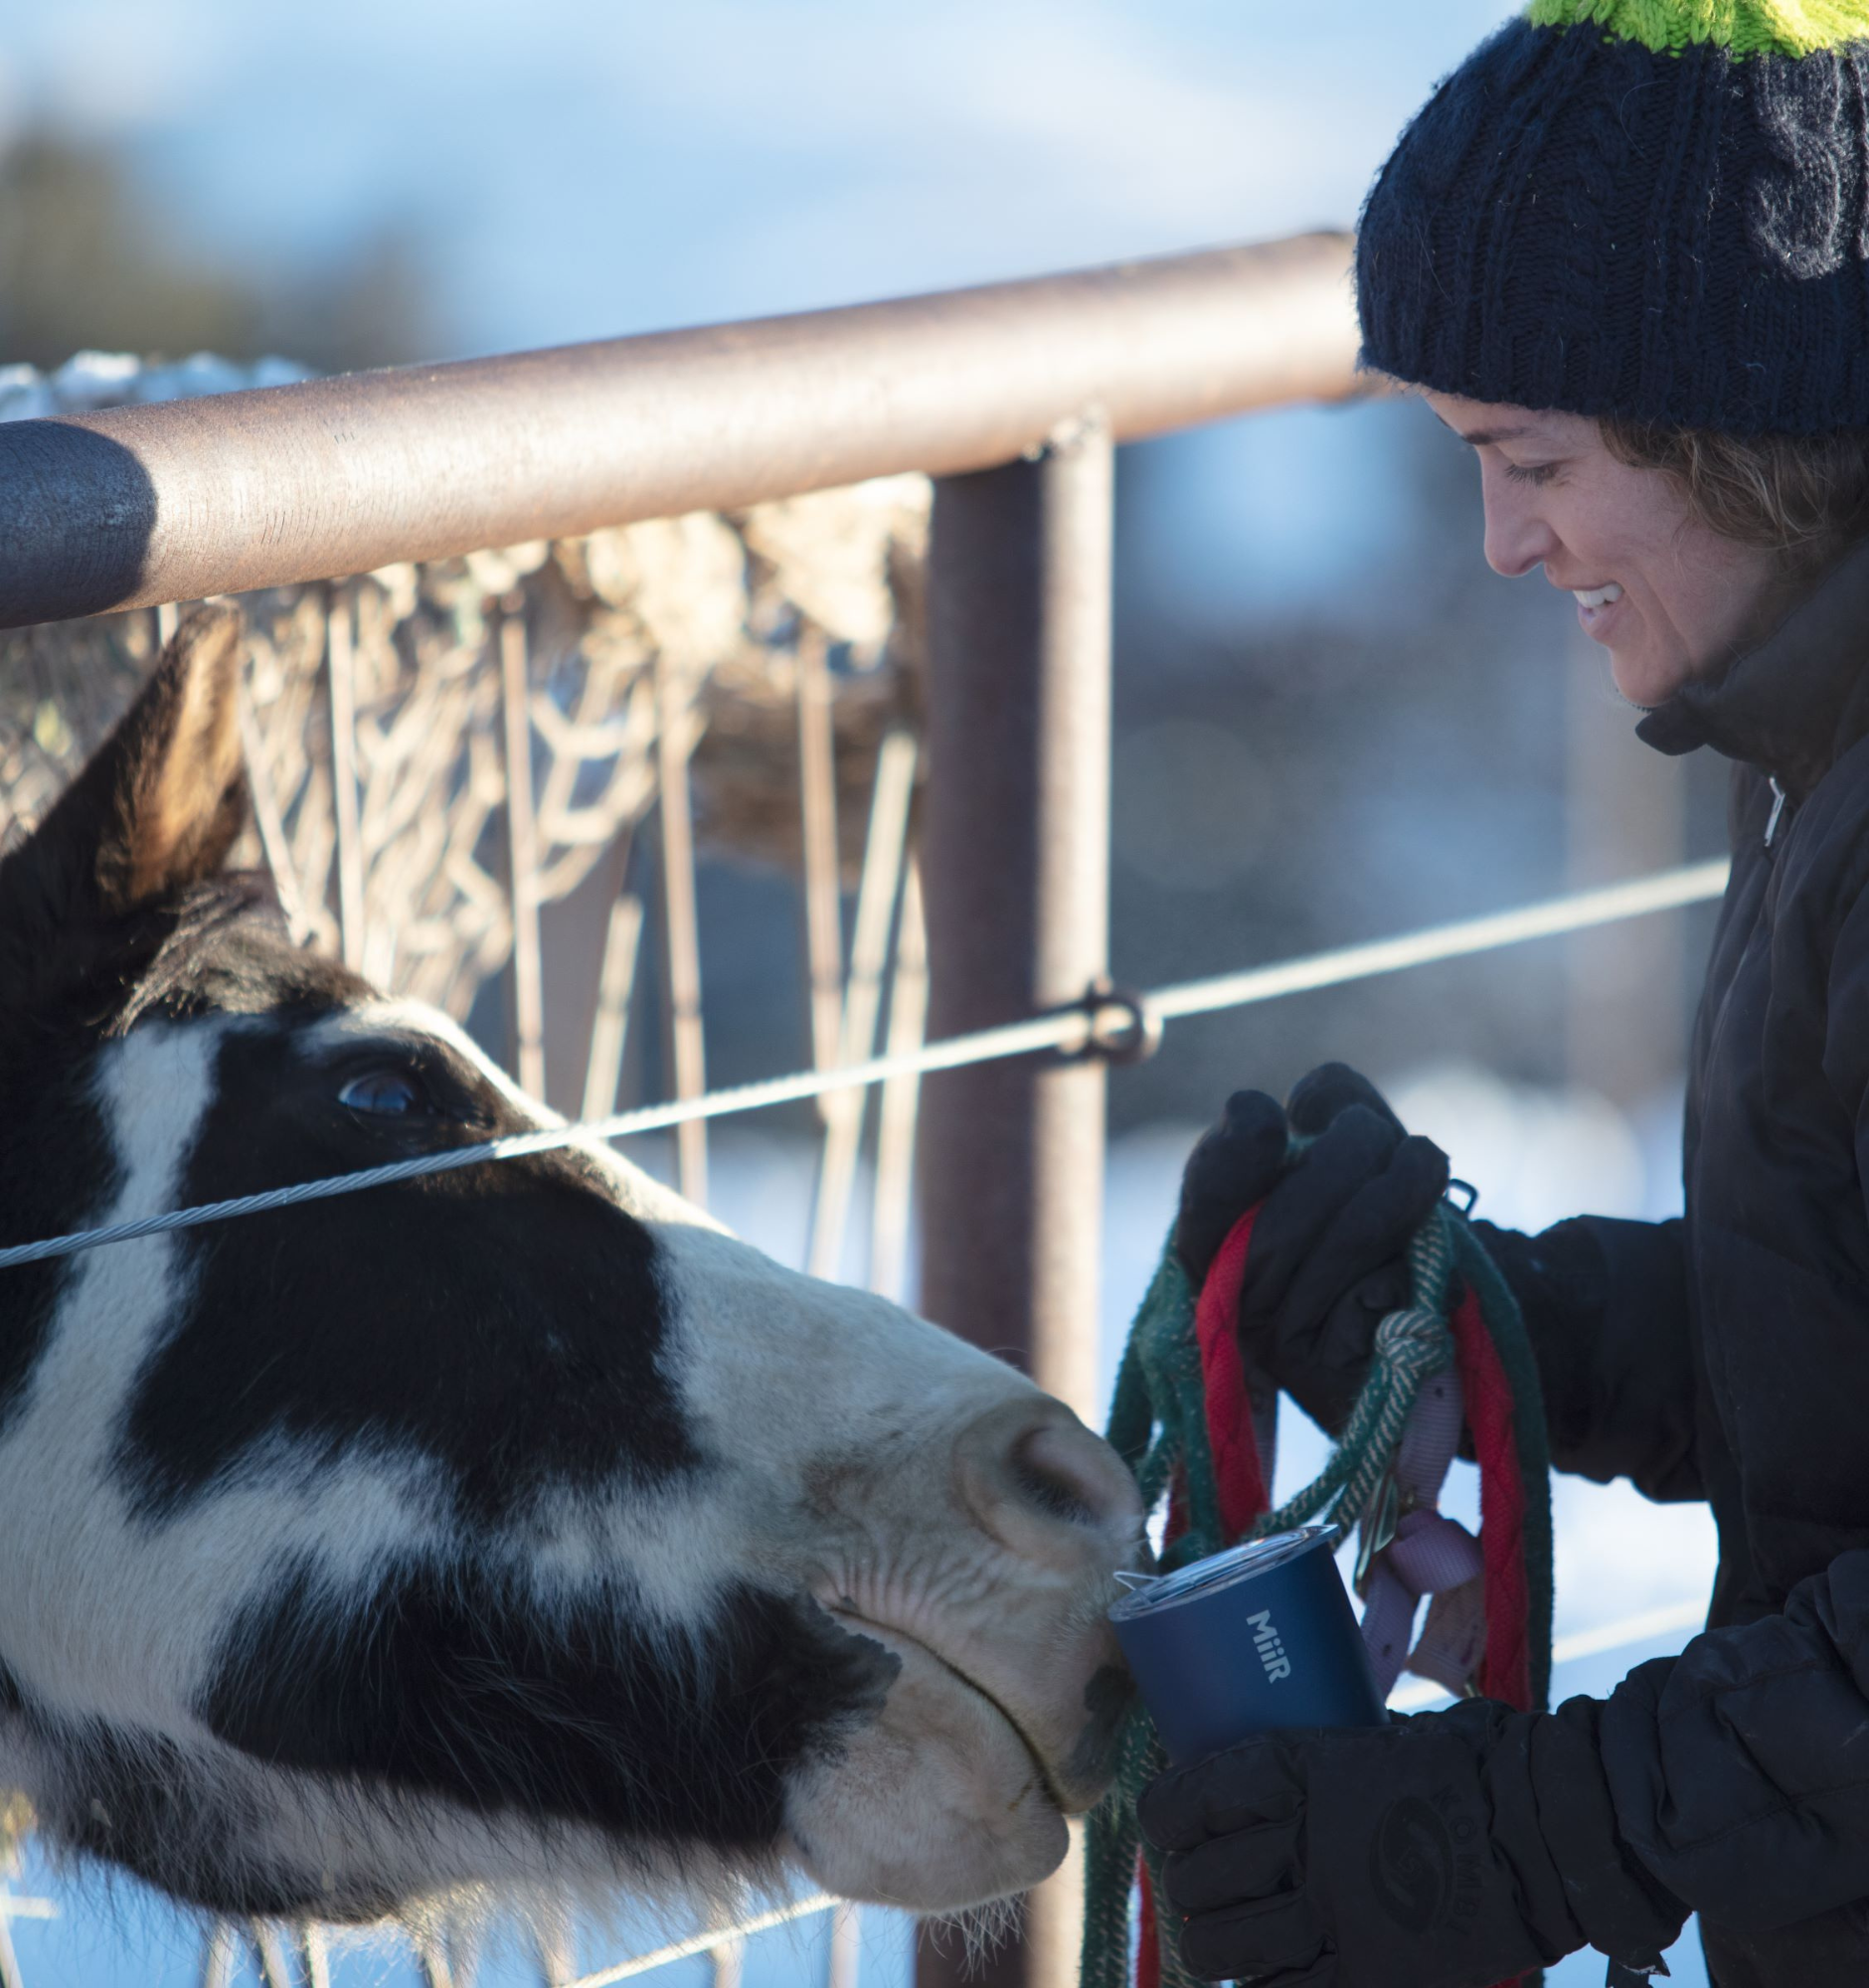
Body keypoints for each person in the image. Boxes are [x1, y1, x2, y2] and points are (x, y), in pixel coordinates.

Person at [1133, 5, 1869, 1986]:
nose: (1498, 542)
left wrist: (1538, 1835)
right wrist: (1495, 1334)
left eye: (1531, 460)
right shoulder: (1810, 741)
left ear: (1738, 420)